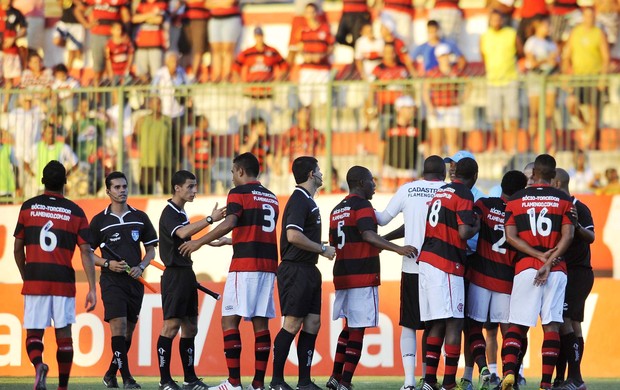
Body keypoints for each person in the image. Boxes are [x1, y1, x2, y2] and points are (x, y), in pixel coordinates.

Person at [178, 153, 279, 390]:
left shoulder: (238, 193)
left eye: (233, 172)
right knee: (260, 324)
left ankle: (234, 382)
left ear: (241, 171)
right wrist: (231, 241)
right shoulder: (271, 196)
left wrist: (198, 242)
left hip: (244, 267)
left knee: (229, 320)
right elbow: (257, 232)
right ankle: (258, 385)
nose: (232, 177)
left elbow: (231, 222)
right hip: (267, 266)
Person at [326, 166, 416, 390]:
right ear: (360, 183)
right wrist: (397, 249)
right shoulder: (363, 206)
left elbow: (347, 241)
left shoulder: (336, 209)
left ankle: (335, 377)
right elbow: (367, 234)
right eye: (371, 181)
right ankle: (345, 382)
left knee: (348, 328)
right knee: (358, 329)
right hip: (362, 275)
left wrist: (383, 241)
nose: (374, 185)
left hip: (342, 274)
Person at [13, 160, 97, 390]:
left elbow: (17, 249)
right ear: (66, 182)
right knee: (64, 336)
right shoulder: (76, 212)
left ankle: (39, 365)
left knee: (34, 334)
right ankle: (62, 387)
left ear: (42, 182)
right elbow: (86, 252)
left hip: (35, 279)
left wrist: (26, 275)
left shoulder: (28, 207)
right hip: (63, 281)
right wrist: (92, 287)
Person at [499, 154, 574, 390]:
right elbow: (569, 235)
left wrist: (537, 255)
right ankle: (545, 384)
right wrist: (549, 260)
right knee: (551, 326)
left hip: (526, 267)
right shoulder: (563, 199)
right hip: (556, 268)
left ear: (533, 174)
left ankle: (510, 373)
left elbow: (510, 237)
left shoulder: (516, 198)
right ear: (553, 175)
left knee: (517, 325)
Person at [375, 155, 447, 390]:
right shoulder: (449, 190)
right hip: (440, 267)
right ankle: (429, 379)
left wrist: (361, 205)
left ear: (423, 172)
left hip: (411, 265)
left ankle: (408, 382)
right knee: (436, 325)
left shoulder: (408, 189)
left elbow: (383, 219)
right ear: (443, 173)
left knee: (409, 324)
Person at [269, 156, 336, 390]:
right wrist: (322, 249)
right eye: (318, 169)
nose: (321, 173)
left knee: (313, 323)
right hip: (295, 269)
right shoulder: (299, 199)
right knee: (293, 323)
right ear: (310, 174)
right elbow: (292, 236)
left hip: (308, 269)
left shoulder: (307, 200)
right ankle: (277, 380)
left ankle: (304, 381)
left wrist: (319, 247)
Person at [156, 169, 226, 390]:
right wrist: (209, 220)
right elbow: (183, 234)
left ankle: (189, 378)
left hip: (186, 273)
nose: (194, 190)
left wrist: (211, 241)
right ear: (177, 188)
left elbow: (186, 241)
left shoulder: (179, 212)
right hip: (174, 275)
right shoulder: (169, 212)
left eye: (195, 186)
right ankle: (165, 380)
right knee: (171, 326)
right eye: (190, 186)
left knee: (191, 327)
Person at [89, 171, 158, 389]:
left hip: (134, 282)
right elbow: (88, 254)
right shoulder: (99, 221)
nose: (122, 191)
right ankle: (127, 378)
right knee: (117, 327)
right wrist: (108, 264)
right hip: (111, 281)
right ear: (108, 191)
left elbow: (150, 250)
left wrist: (142, 266)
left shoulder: (140, 217)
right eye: (117, 187)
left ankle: (110, 374)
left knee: (127, 333)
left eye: (124, 186)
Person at [417, 157, 480, 390]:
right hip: (447, 263)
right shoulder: (464, 193)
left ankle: (430, 381)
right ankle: (449, 383)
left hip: (426, 260)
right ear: (474, 176)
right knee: (454, 322)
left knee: (436, 324)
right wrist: (477, 226)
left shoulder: (441, 191)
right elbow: (464, 232)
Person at [464, 170, 528, 390]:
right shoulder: (521, 213)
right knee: (509, 330)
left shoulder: (483, 205)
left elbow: (467, 223)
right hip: (506, 281)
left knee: (474, 327)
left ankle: (483, 369)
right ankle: (511, 372)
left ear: (501, 185)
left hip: (480, 276)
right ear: (522, 190)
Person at [551, 168, 595, 390]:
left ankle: (576, 378)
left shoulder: (579, 207)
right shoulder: (554, 207)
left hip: (577, 272)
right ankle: (563, 379)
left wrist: (576, 226)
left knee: (567, 322)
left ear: (557, 183)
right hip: (561, 272)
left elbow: (591, 236)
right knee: (562, 324)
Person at [562, 7, 609, 150]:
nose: (589, 19)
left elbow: (606, 57)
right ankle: (585, 125)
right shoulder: (575, 33)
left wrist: (602, 77)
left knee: (593, 110)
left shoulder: (599, 33)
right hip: (579, 78)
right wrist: (565, 77)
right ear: (583, 17)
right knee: (571, 103)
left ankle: (589, 145)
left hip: (593, 78)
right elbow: (566, 56)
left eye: (592, 16)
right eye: (587, 16)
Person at [480, 10, 519, 152]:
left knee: (513, 116)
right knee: (496, 118)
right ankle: (500, 147)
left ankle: (514, 146)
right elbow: (483, 55)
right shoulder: (485, 36)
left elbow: (519, 52)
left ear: (502, 20)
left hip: (510, 80)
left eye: (498, 19)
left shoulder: (511, 34)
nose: (496, 22)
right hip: (493, 81)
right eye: (493, 19)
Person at [523, 16, 559, 150]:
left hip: (549, 78)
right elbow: (532, 63)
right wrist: (546, 60)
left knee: (550, 113)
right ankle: (532, 145)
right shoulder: (532, 42)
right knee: (535, 113)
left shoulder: (551, 43)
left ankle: (553, 145)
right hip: (536, 78)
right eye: (545, 26)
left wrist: (551, 61)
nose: (548, 28)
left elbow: (556, 61)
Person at [423, 43, 464, 157]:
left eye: (446, 55)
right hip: (437, 108)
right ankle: (436, 170)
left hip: (452, 107)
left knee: (453, 143)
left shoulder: (456, 72)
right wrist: (430, 107)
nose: (445, 58)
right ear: (438, 58)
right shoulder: (432, 73)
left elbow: (469, 84)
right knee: (436, 143)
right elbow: (425, 91)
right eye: (442, 56)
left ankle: (455, 170)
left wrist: (461, 99)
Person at [208, 0, 242, 82]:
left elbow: (230, 2)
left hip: (231, 18)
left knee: (228, 49)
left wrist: (216, 3)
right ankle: (217, 76)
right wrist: (222, 3)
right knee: (215, 50)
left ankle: (226, 76)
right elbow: (207, 3)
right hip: (215, 18)